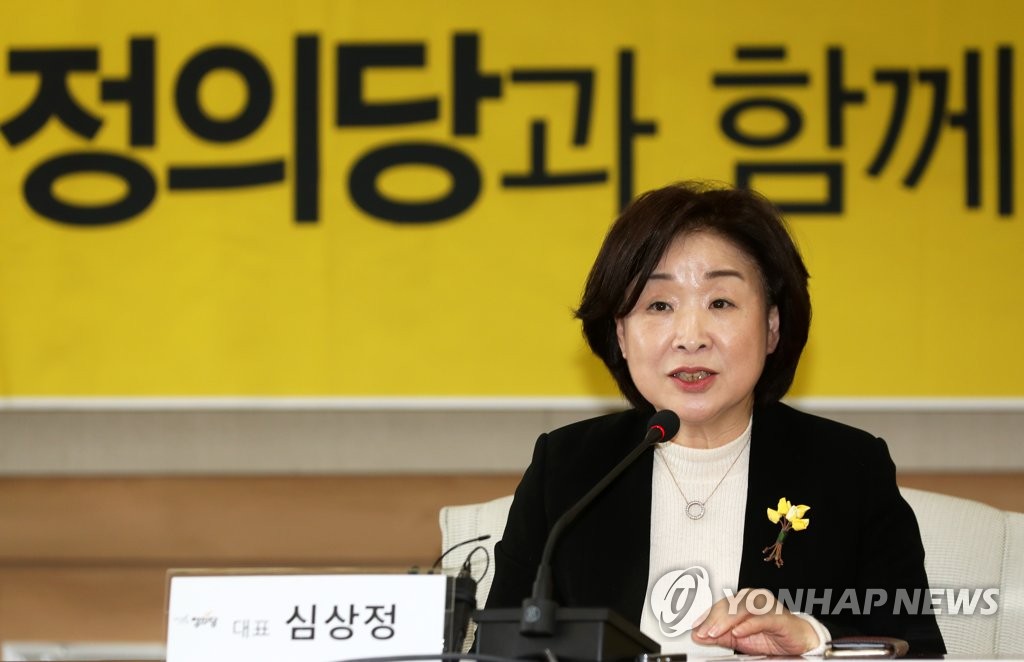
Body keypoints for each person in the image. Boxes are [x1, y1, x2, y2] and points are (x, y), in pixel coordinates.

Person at [486, 181, 946, 657]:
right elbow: (497, 648)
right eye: (659, 305)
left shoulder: (849, 469)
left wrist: (815, 641)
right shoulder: (568, 469)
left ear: (772, 326)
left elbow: (920, 651)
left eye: (720, 303)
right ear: (621, 334)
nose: (691, 337)